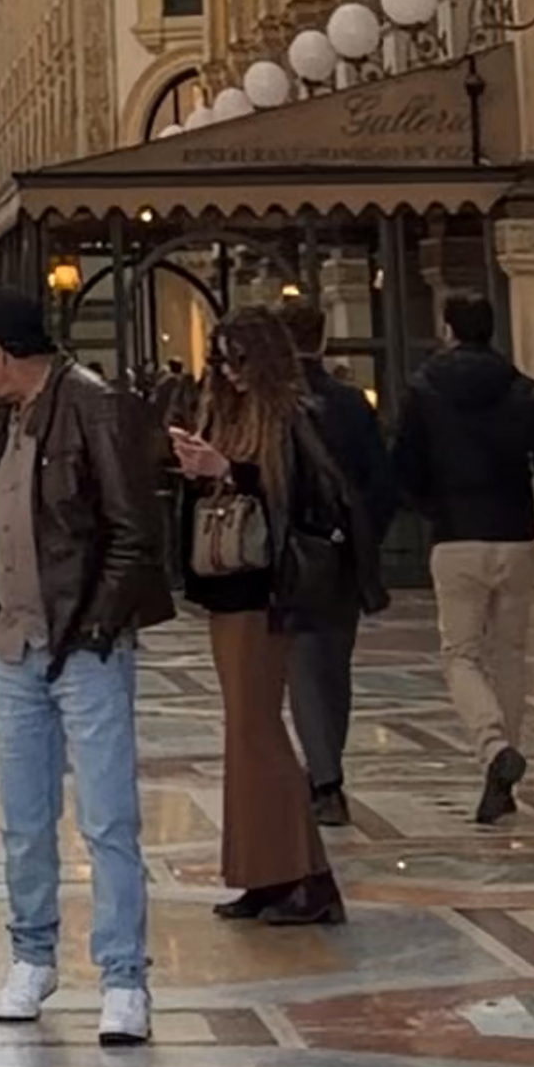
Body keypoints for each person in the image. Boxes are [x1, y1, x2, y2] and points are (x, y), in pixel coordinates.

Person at [0, 277, 160, 1040]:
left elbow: (132, 531)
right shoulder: (6, 420)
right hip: (15, 646)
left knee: (107, 817)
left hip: (83, 647)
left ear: (2, 353)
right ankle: (31, 955)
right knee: (23, 817)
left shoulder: (93, 406)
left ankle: (123, 976)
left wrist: (96, 629)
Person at [168, 314, 345, 921]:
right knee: (244, 733)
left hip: (265, 591)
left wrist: (227, 471)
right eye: (218, 361)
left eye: (237, 360)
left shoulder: (289, 417)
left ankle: (306, 876)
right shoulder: (227, 413)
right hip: (227, 588)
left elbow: (293, 497)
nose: (226, 373)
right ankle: (264, 872)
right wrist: (199, 473)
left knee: (257, 730)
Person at [391, 290, 534, 823]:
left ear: (448, 329)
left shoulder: (423, 388)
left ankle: (494, 749)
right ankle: (503, 781)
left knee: (462, 654)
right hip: (515, 534)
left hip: (456, 535)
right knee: (509, 654)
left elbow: (405, 464)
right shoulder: (525, 389)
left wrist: (426, 505)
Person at [284, 351, 395, 823]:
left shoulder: (280, 407)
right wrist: (364, 533)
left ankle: (326, 780)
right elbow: (382, 478)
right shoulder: (351, 403)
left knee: (305, 665)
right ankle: (327, 766)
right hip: (345, 552)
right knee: (334, 664)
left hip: (298, 553)